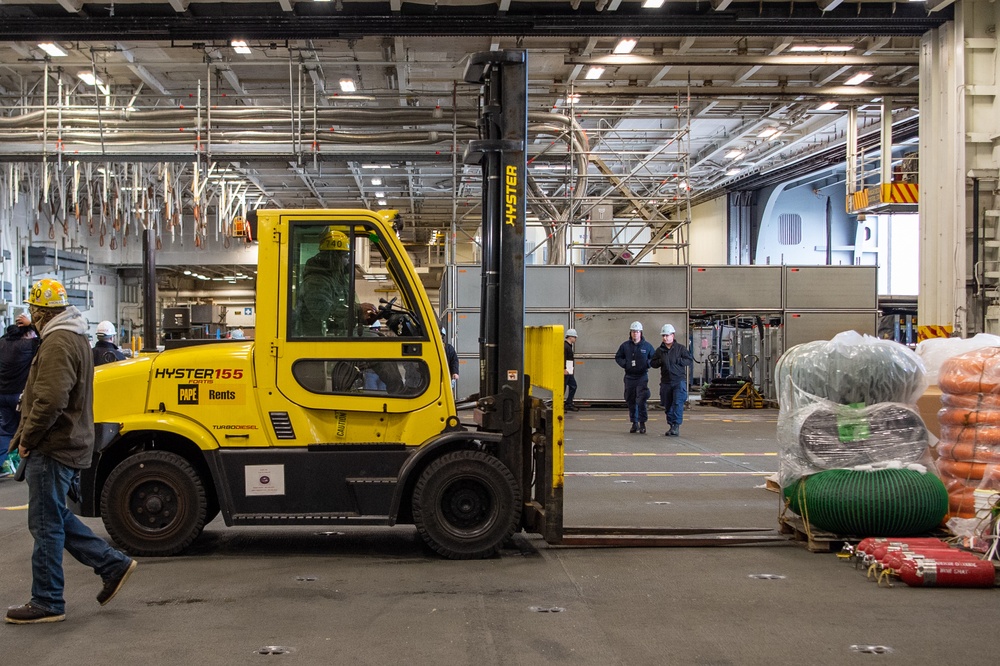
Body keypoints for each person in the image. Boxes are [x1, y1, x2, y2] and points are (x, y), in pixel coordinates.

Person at [5, 278, 136, 624]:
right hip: (63, 443)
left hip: (54, 446)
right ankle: (112, 563)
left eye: (33, 310)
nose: (31, 316)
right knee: (52, 517)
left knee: (45, 525)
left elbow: (50, 401)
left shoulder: (58, 342)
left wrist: (28, 439)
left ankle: (47, 600)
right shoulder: (72, 337)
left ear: (41, 311)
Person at [0, 313, 39, 476]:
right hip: (19, 396)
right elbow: (47, 337)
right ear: (26, 334)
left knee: (5, 431)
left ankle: (2, 463)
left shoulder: (2, 343)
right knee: (25, 429)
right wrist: (31, 324)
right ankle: (26, 467)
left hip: (1, 394)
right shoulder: (27, 346)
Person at [650, 323, 694, 437]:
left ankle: (676, 425)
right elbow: (652, 363)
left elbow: (689, 360)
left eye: (667, 335)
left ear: (673, 335)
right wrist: (660, 361)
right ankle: (671, 425)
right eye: (663, 336)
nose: (665, 338)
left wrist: (678, 361)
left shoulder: (680, 349)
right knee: (668, 404)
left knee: (677, 403)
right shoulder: (660, 351)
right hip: (666, 382)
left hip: (678, 381)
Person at [615, 321, 656, 434]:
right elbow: (618, 357)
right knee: (631, 399)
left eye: (637, 332)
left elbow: (654, 359)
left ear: (641, 333)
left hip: (642, 377)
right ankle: (634, 423)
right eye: (633, 332)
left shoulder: (647, 346)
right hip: (629, 377)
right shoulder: (625, 346)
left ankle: (642, 423)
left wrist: (647, 364)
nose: (635, 334)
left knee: (641, 399)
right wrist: (626, 364)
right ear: (630, 333)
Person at [564, 328, 579, 411]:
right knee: (564, 387)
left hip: (569, 371)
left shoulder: (568, 346)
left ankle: (568, 403)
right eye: (575, 337)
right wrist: (564, 369)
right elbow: (563, 358)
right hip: (566, 371)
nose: (575, 339)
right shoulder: (565, 346)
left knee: (573, 386)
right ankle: (563, 405)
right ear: (570, 337)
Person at [442, 328, 459, 396]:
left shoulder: (448, 348)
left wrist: (455, 372)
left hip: (446, 377)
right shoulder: (430, 348)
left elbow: (454, 361)